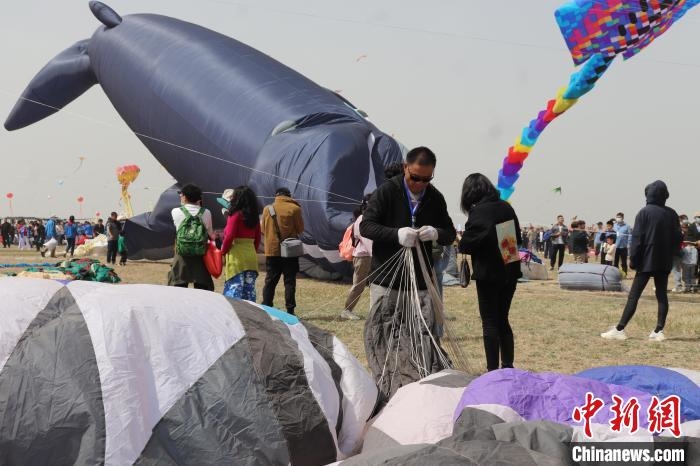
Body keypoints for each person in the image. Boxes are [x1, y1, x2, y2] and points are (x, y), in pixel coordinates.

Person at [360, 146, 456, 401]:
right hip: (387, 280)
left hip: (420, 284)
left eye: (426, 179)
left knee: (418, 335)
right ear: (405, 168)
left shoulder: (434, 198)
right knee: (384, 334)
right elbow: (367, 226)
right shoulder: (387, 192)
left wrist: (436, 233)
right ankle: (384, 386)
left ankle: (416, 387)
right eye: (415, 177)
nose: (419, 184)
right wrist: (395, 234)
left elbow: (449, 231)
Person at [601, 180, 681, 342]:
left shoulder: (644, 213)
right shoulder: (672, 214)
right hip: (664, 261)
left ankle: (620, 329)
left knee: (634, 296)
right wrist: (671, 254)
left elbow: (637, 240)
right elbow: (678, 238)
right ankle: (658, 330)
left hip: (646, 260)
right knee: (661, 296)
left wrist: (633, 260)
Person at [458, 173, 522, 371]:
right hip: (509, 272)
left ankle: (492, 371)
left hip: (488, 274)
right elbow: (515, 240)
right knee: (503, 319)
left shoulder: (479, 212)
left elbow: (468, 245)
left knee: (490, 323)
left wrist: (461, 239)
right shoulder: (506, 207)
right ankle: (508, 365)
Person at [261, 187, 304, 314]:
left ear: (276, 196)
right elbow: (300, 229)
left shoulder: (267, 209)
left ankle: (267, 306)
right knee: (289, 281)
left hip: (272, 251)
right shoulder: (295, 209)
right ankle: (290, 310)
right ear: (289, 196)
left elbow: (263, 229)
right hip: (290, 251)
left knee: (270, 281)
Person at [168, 184, 216, 290]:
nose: (180, 197)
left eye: (181, 195)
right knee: (202, 291)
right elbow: (211, 235)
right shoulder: (206, 212)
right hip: (200, 257)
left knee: (177, 289)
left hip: (181, 256)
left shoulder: (175, 211)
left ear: (184, 196)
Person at [221, 186, 261, 300]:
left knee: (234, 292)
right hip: (251, 256)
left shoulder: (235, 215)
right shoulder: (254, 217)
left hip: (237, 257)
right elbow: (257, 238)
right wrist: (252, 250)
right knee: (249, 292)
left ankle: (233, 317)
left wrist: (223, 251)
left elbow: (229, 236)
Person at [341, 195, 373, 320]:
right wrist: (376, 255)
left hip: (368, 256)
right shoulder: (362, 220)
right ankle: (347, 310)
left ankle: (374, 310)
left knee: (375, 285)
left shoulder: (368, 219)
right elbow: (367, 241)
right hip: (363, 257)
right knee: (359, 285)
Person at [613, 212, 631, 277]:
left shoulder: (627, 226)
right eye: (617, 217)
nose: (618, 218)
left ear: (623, 218)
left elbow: (630, 235)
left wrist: (628, 244)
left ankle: (624, 274)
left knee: (623, 262)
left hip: (623, 246)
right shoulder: (614, 226)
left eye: (619, 217)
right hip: (615, 247)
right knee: (615, 262)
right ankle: (615, 275)